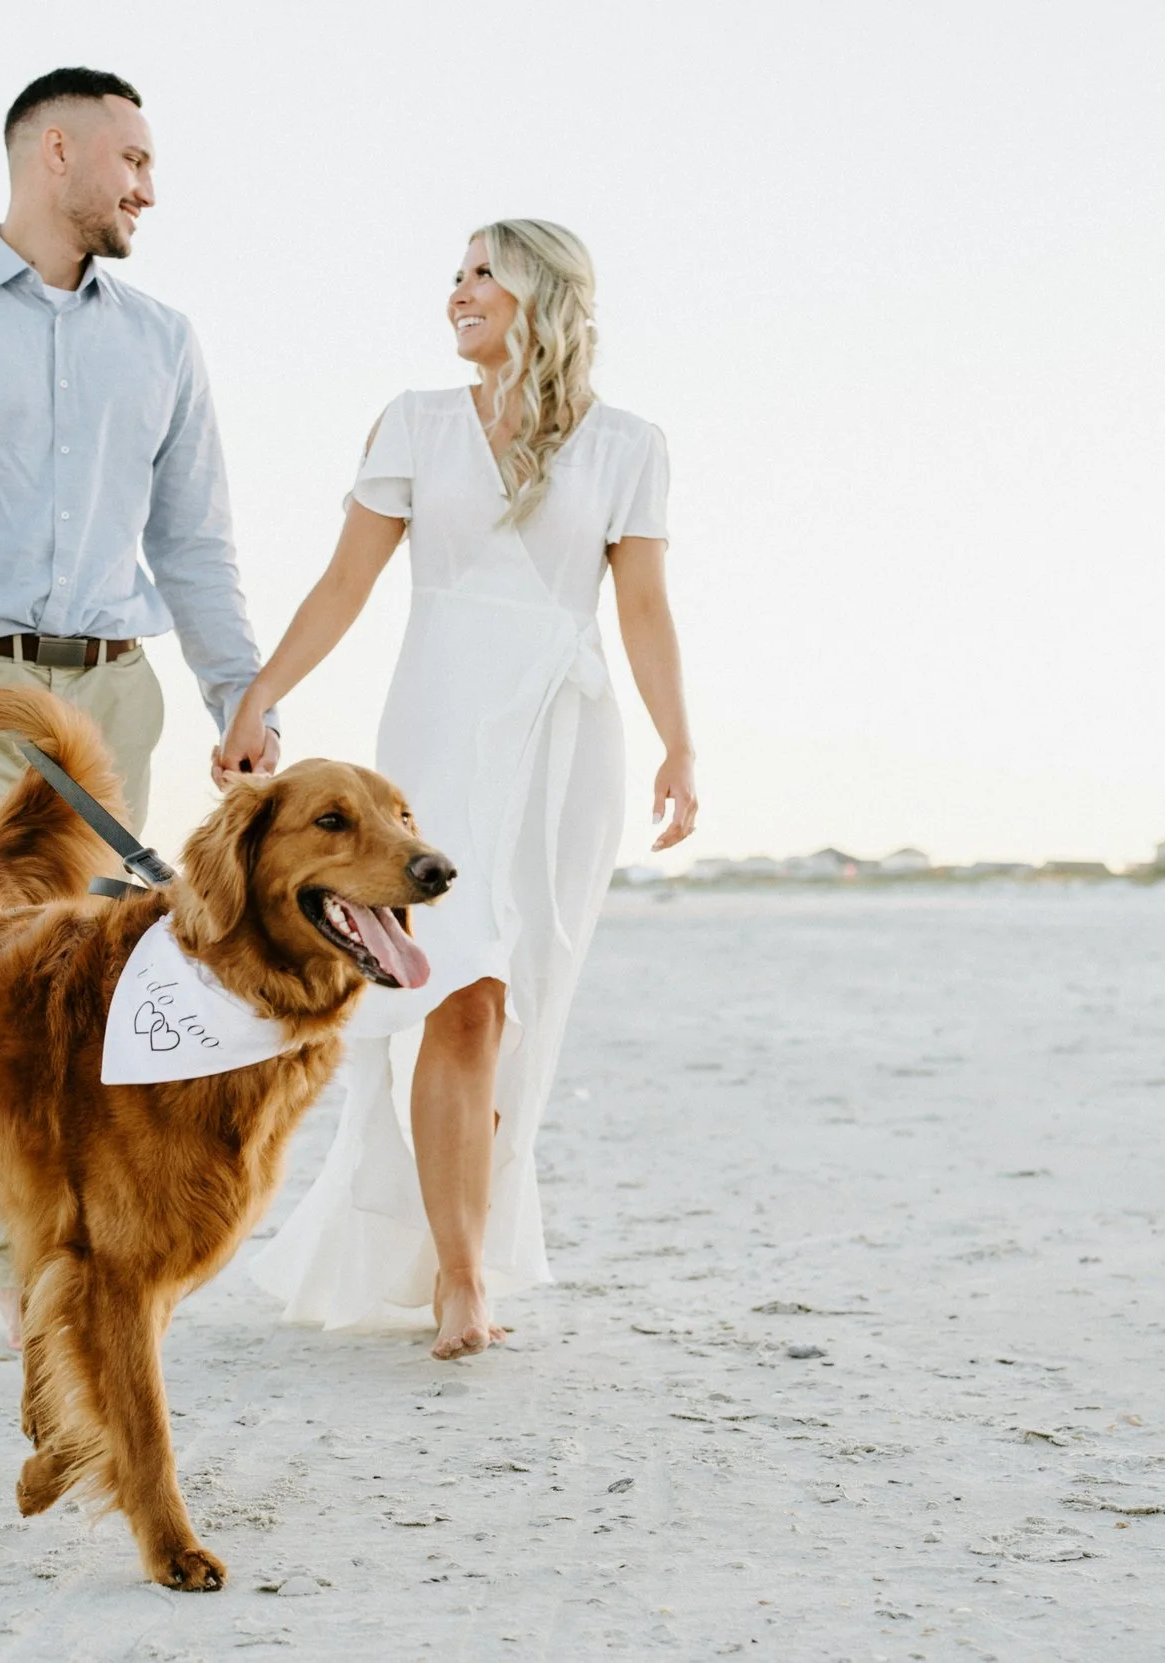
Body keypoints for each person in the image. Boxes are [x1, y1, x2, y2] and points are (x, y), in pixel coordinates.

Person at [0, 67, 276, 1384]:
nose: (150, 185)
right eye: (134, 158)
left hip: (112, 698)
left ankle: (51, 1284)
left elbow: (195, 538)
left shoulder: (161, 341)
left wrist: (238, 692)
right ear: (59, 151)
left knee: (85, 1004)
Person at [220, 220, 697, 1359]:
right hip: (432, 739)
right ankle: (462, 1279)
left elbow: (640, 608)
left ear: (542, 292)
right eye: (455, 275)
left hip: (559, 748)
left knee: (510, 1008)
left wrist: (681, 746)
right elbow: (345, 581)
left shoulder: (630, 444)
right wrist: (259, 697)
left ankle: (463, 1248)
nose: (458, 292)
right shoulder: (414, 426)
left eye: (483, 272)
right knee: (454, 987)